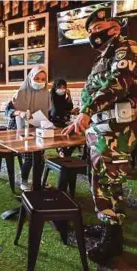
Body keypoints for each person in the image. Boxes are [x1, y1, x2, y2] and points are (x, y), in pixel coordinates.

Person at [63, 7, 137, 264]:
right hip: (100, 129)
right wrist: (81, 115)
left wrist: (87, 111)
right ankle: (107, 223)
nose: (94, 35)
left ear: (115, 28)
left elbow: (120, 81)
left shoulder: (126, 48)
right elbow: (93, 90)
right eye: (91, 31)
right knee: (100, 178)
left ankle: (113, 239)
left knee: (110, 180)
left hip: (117, 130)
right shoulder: (102, 57)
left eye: (98, 30)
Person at [5, 65, 51, 190]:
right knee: (30, 158)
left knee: (40, 157)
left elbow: (48, 111)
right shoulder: (20, 92)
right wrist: (19, 113)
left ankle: (38, 181)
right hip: (20, 128)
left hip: (38, 128)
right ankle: (24, 180)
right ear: (31, 77)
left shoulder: (46, 93)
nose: (40, 82)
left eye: (43, 79)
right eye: (37, 78)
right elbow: (8, 110)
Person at [49, 79, 78, 157]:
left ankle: (65, 153)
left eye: (64, 87)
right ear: (55, 87)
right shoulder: (52, 96)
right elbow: (55, 112)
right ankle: (64, 152)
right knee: (67, 133)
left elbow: (69, 107)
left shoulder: (63, 96)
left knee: (76, 134)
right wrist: (69, 112)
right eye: (60, 87)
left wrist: (69, 96)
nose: (62, 89)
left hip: (64, 121)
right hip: (54, 122)